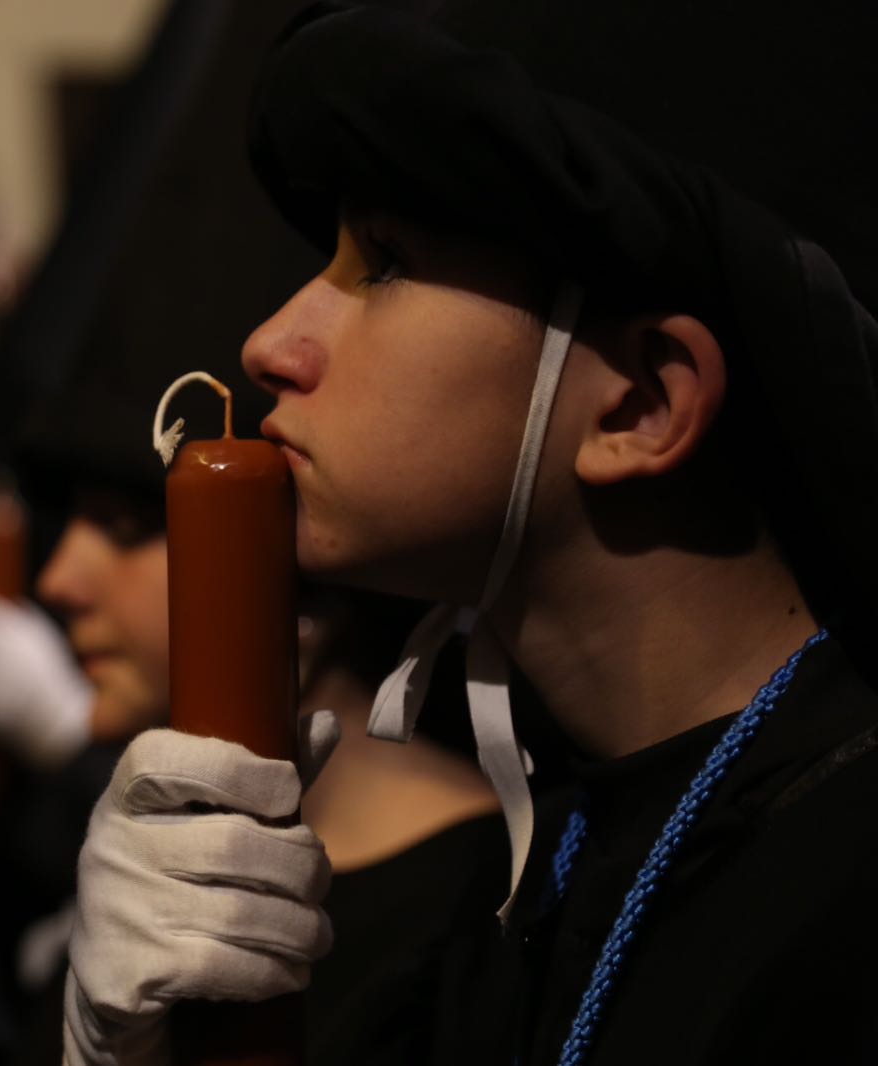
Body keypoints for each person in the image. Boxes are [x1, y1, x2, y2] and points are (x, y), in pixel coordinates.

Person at [60, 1, 878, 1064]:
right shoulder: (510, 902)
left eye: (386, 264)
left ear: (639, 404)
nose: (269, 343)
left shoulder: (844, 901)